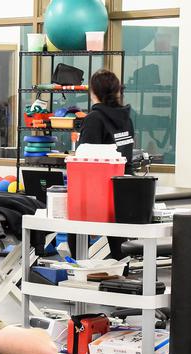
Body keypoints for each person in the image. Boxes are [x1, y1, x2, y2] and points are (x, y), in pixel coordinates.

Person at [72, 69, 136, 261]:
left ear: (93, 92)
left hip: (99, 191)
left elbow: (85, 161)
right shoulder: (126, 118)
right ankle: (121, 275)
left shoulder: (94, 119)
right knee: (118, 242)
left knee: (74, 232)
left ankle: (80, 276)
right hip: (124, 187)